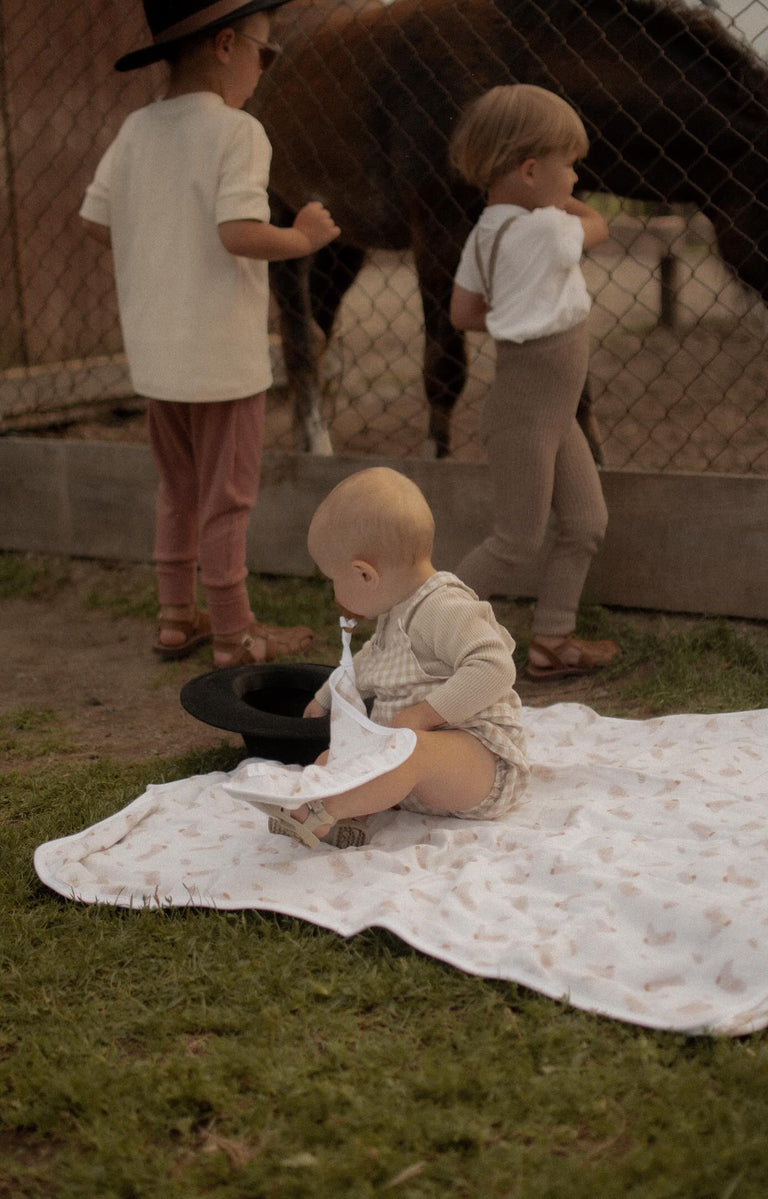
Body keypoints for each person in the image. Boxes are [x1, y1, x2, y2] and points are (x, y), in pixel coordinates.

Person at [80, 0, 341, 667]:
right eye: (266, 51)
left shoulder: (137, 128)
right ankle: (234, 632)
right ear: (226, 45)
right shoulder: (238, 132)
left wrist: (159, 237)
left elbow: (95, 221)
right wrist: (303, 236)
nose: (265, 67)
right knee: (227, 496)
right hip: (222, 358)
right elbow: (238, 233)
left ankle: (176, 616)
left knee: (179, 486)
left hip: (157, 353)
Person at [260, 466, 531, 849]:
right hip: (411, 764)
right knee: (335, 754)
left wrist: (422, 715)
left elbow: (495, 666)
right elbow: (371, 663)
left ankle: (321, 813)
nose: (333, 592)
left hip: (477, 760)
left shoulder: (443, 606)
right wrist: (326, 696)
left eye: (332, 580)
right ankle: (338, 815)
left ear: (364, 574)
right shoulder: (396, 611)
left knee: (411, 754)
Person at [449, 84, 619, 680]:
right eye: (568, 165)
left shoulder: (485, 234)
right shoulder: (548, 229)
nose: (576, 179)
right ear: (528, 170)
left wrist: (512, 315)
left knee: (585, 521)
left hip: (546, 409)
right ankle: (418, 629)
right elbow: (598, 226)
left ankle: (552, 638)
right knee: (515, 540)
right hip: (530, 413)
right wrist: (569, 207)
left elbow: (463, 314)